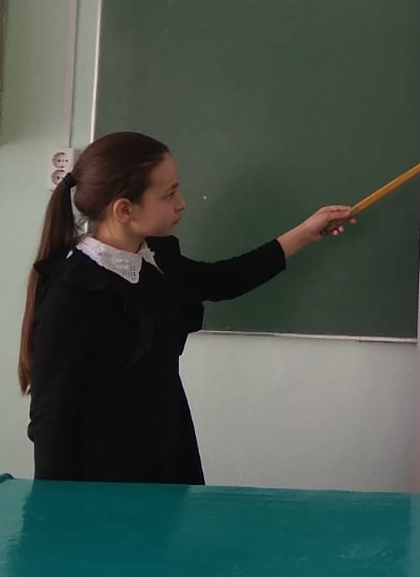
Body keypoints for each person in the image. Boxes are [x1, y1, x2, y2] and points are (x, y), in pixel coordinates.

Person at [18, 131, 353, 484]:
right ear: (125, 210)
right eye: (169, 194)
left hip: (168, 448)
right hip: (108, 478)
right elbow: (51, 417)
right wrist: (53, 508)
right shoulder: (74, 292)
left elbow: (224, 279)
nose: (182, 203)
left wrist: (305, 232)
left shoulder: (154, 258)